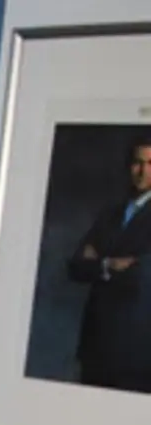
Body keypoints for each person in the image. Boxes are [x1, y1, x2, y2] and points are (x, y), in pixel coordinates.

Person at [66, 135, 151, 393]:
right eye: (137, 162)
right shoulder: (110, 214)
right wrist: (108, 265)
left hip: (137, 351)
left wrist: (99, 262)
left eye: (150, 163)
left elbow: (141, 274)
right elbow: (76, 267)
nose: (142, 170)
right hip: (96, 344)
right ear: (128, 166)